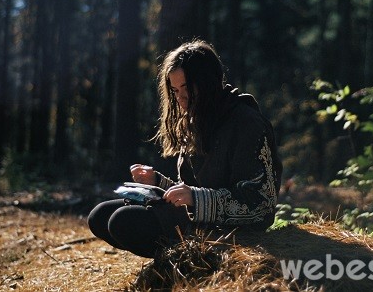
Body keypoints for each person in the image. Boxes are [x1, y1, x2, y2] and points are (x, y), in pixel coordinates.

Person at [88, 40, 282, 258]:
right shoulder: (196, 119)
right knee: (100, 216)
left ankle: (188, 262)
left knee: (123, 222)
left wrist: (197, 199)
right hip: (196, 223)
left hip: (230, 233)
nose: (180, 98)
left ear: (208, 82)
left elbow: (261, 207)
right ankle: (178, 260)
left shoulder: (247, 123)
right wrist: (158, 182)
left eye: (187, 88)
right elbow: (191, 191)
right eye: (175, 90)